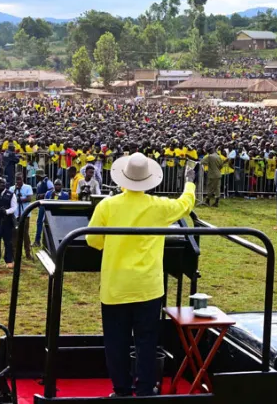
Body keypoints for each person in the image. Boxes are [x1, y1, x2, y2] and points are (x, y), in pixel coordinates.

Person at [86, 153, 196, 398]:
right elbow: (185, 205)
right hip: (148, 287)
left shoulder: (107, 205)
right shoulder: (159, 206)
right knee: (146, 341)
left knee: (116, 343)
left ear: (123, 179)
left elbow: (92, 240)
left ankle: (122, 390)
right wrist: (189, 182)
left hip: (116, 287)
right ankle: (146, 389)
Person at [8, 175, 35, 260]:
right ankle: (14, 254)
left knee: (25, 234)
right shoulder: (12, 189)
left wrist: (20, 199)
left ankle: (28, 253)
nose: (18, 181)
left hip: (25, 213)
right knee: (14, 234)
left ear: (23, 179)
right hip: (15, 214)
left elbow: (29, 198)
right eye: (17, 180)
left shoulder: (28, 187)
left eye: (20, 179)